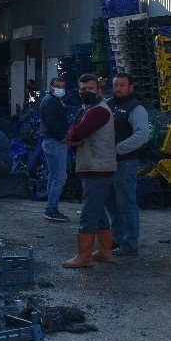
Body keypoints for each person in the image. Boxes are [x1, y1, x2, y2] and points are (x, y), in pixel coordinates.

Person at [62, 73, 117, 269]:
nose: (86, 92)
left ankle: (84, 256)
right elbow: (71, 131)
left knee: (88, 212)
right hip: (93, 167)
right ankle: (104, 252)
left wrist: (72, 137)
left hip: (97, 168)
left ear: (99, 90)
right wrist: (72, 136)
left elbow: (76, 132)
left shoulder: (98, 111)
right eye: (83, 89)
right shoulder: (88, 110)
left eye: (90, 89)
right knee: (99, 211)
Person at [105, 73, 149, 256]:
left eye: (122, 85)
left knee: (126, 204)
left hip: (125, 163)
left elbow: (142, 135)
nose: (118, 89)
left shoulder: (136, 109)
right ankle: (116, 238)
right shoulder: (110, 105)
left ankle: (130, 243)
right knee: (111, 203)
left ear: (131, 87)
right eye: (115, 85)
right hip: (108, 164)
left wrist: (118, 148)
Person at [39, 77, 70, 222]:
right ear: (51, 86)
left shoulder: (52, 100)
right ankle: (51, 209)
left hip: (50, 142)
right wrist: (63, 138)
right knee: (60, 177)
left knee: (53, 176)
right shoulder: (51, 102)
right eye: (58, 86)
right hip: (55, 142)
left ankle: (51, 207)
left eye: (63, 86)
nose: (61, 88)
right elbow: (52, 123)